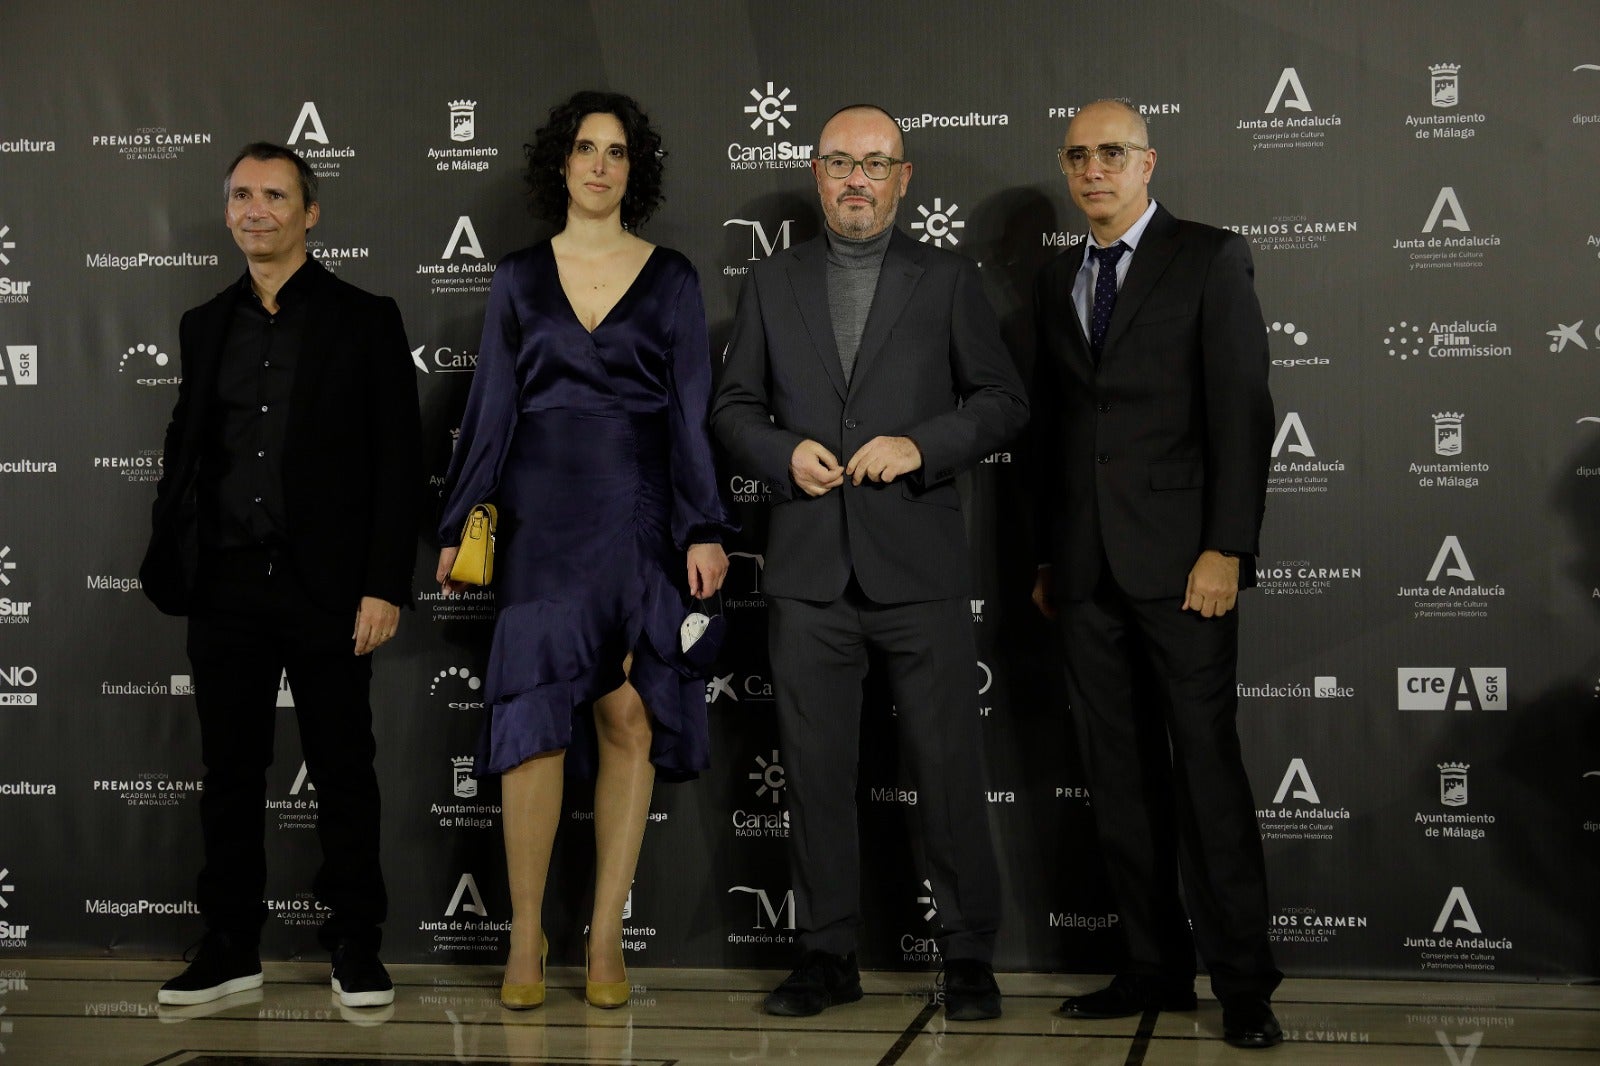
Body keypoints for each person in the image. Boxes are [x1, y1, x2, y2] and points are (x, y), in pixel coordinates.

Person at [712, 104, 1028, 1022]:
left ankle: (968, 955)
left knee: (949, 771)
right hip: (808, 572)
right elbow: (732, 409)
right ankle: (826, 954)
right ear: (818, 174)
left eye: (875, 163)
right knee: (812, 774)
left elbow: (1003, 402)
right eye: (841, 163)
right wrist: (780, 455)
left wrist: (922, 445)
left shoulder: (951, 278)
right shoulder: (771, 283)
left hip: (917, 565)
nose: (857, 179)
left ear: (904, 176)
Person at [434, 90, 731, 1012]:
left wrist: (706, 524)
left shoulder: (674, 277)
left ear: (631, 171)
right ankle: (527, 930)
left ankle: (606, 931)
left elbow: (689, 414)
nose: (600, 165)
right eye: (584, 149)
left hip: (640, 516)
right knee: (530, 731)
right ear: (559, 165)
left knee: (630, 716)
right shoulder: (519, 277)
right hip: (539, 520)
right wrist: (460, 524)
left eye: (616, 152)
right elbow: (489, 410)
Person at [141, 143, 422, 1009]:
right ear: (227, 211)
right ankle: (229, 945)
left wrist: (384, 585)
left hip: (327, 587)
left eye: (275, 194)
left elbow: (396, 464)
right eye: (241, 195)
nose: (255, 208)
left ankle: (356, 946)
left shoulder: (365, 317)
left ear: (310, 213)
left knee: (344, 766)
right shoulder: (203, 323)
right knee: (228, 772)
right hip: (225, 583)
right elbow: (190, 450)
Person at [1029, 100, 1281, 1048]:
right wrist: (1049, 556)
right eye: (1080, 155)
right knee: (1118, 779)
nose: (1095, 169)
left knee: (1207, 774)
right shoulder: (1057, 277)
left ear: (1148, 163)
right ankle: (1152, 966)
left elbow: (1243, 412)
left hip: (1186, 570)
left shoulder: (1211, 257)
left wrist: (1227, 548)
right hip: (1087, 573)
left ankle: (1246, 984)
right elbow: (1058, 435)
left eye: (1114, 154)